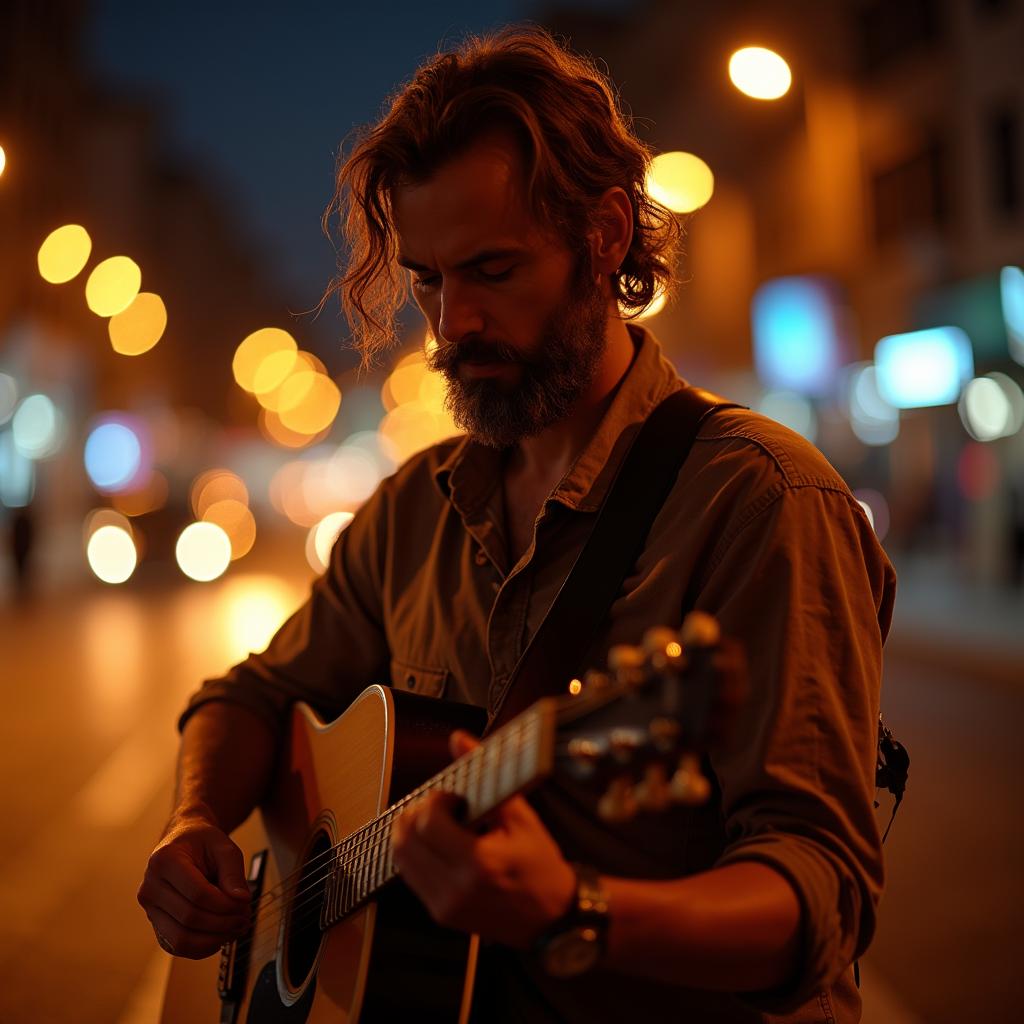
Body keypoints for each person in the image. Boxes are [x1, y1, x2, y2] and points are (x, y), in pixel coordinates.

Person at [138, 27, 896, 1023]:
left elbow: (817, 887)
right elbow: (254, 691)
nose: (453, 322)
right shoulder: (417, 508)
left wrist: (576, 909)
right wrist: (194, 819)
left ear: (607, 236)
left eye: (492, 271)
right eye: (428, 281)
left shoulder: (761, 499)